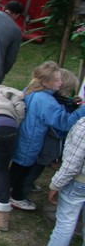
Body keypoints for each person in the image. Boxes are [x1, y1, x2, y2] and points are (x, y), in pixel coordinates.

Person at [9, 61, 85, 211]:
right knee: (20, 172)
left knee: (18, 169)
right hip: (31, 143)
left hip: (24, 138)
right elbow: (64, 123)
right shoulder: (45, 100)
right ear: (46, 81)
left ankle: (6, 194)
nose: (60, 82)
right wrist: (82, 110)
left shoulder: (34, 91)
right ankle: (14, 197)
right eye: (57, 80)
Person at [24, 115, 85, 246]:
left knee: (65, 225)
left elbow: (72, 166)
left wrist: (55, 185)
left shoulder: (83, 127)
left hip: (78, 183)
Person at [0, 83, 25, 232]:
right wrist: (15, 123)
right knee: (2, 170)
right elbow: (21, 112)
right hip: (9, 128)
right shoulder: (15, 95)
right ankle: (1, 218)